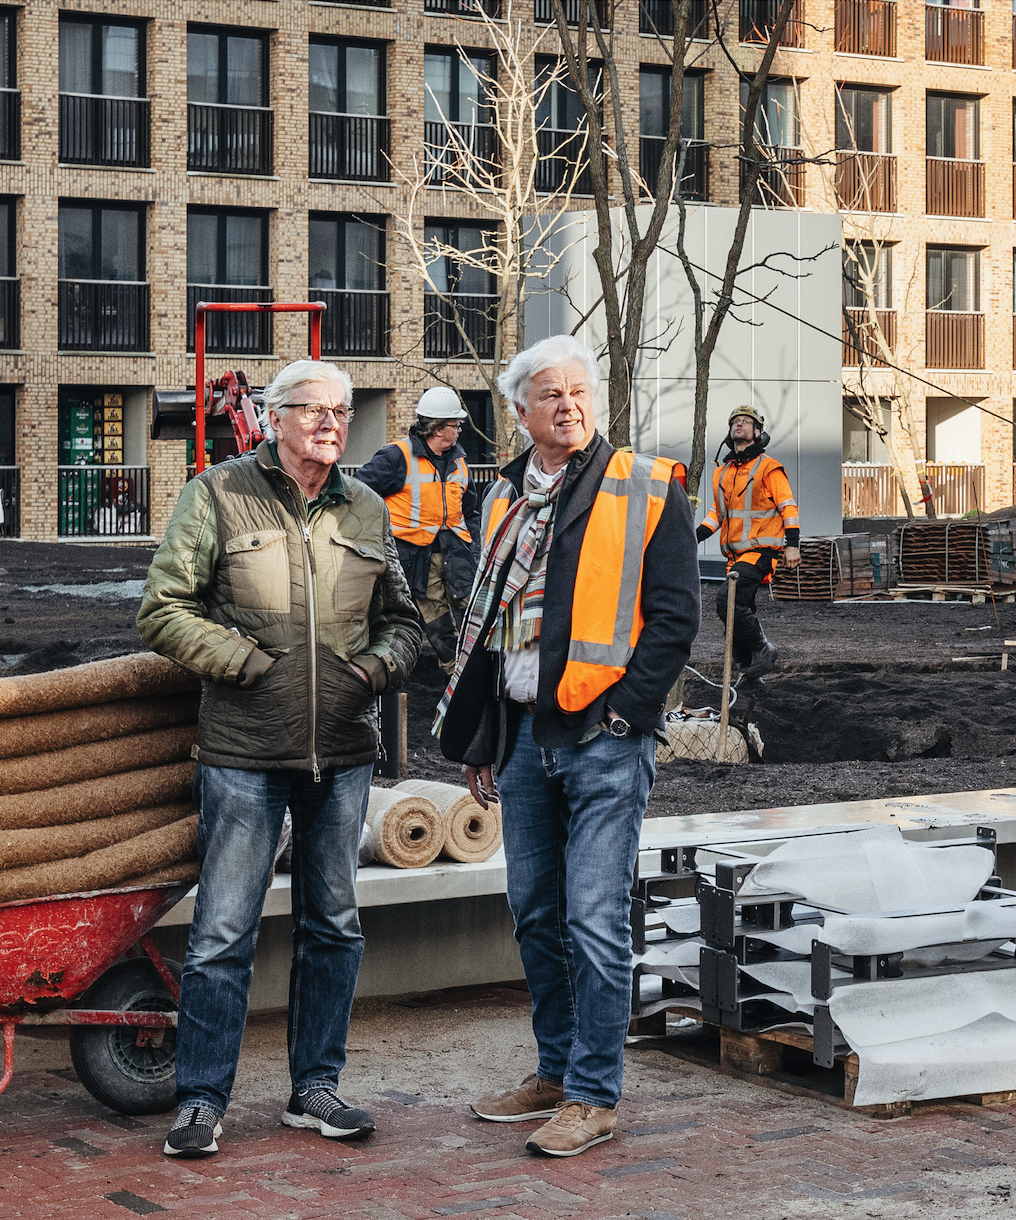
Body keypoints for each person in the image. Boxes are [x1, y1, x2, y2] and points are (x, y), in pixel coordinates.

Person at [137, 359, 425, 1159]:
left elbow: (404, 621)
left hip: (341, 754)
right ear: (273, 418)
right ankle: (199, 1100)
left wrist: (370, 671)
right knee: (223, 931)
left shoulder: (365, 505)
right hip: (242, 754)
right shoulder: (219, 494)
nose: (334, 423)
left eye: (342, 410)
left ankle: (315, 1089)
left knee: (333, 925)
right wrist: (246, 665)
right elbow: (162, 610)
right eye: (315, 410)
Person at [432, 334, 698, 1157]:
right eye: (549, 394)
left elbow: (676, 620)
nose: (569, 405)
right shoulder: (502, 496)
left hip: (602, 740)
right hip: (520, 739)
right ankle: (553, 1072)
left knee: (594, 920)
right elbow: (490, 628)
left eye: (579, 391)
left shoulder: (649, 485)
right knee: (535, 914)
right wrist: (483, 735)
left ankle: (592, 1094)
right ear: (518, 413)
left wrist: (626, 717)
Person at [354, 386, 482, 669]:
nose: (460, 429)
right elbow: (358, 493)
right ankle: (456, 675)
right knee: (437, 624)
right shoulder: (396, 457)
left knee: (479, 612)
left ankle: (486, 671)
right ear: (437, 429)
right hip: (416, 559)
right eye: (455, 424)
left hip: (457, 555)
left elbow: (470, 510)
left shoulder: (459, 460)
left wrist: (475, 547)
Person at [696, 405, 799, 674]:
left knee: (726, 602)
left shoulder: (769, 467)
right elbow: (716, 515)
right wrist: (691, 538)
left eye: (746, 421)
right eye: (735, 421)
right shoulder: (723, 472)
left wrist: (792, 545)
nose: (739, 425)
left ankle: (764, 649)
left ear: (758, 431)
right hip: (735, 557)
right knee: (734, 614)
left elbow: (788, 506)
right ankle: (749, 670)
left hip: (761, 551)